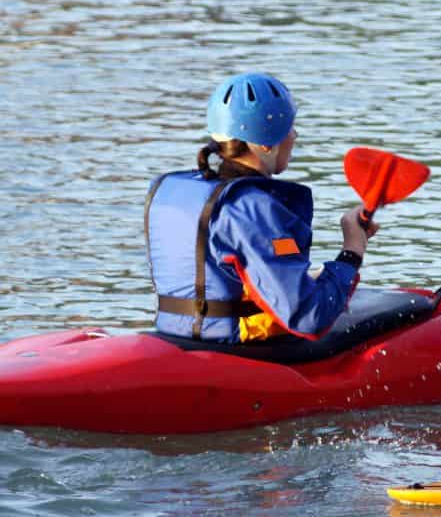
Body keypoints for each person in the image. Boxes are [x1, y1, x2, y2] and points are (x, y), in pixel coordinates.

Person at [144, 72, 375, 343]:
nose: (294, 135)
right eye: (289, 128)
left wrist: (313, 276)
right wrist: (352, 250)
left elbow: (226, 277)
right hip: (239, 349)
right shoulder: (253, 208)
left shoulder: (167, 189)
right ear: (266, 144)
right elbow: (309, 316)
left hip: (175, 335)